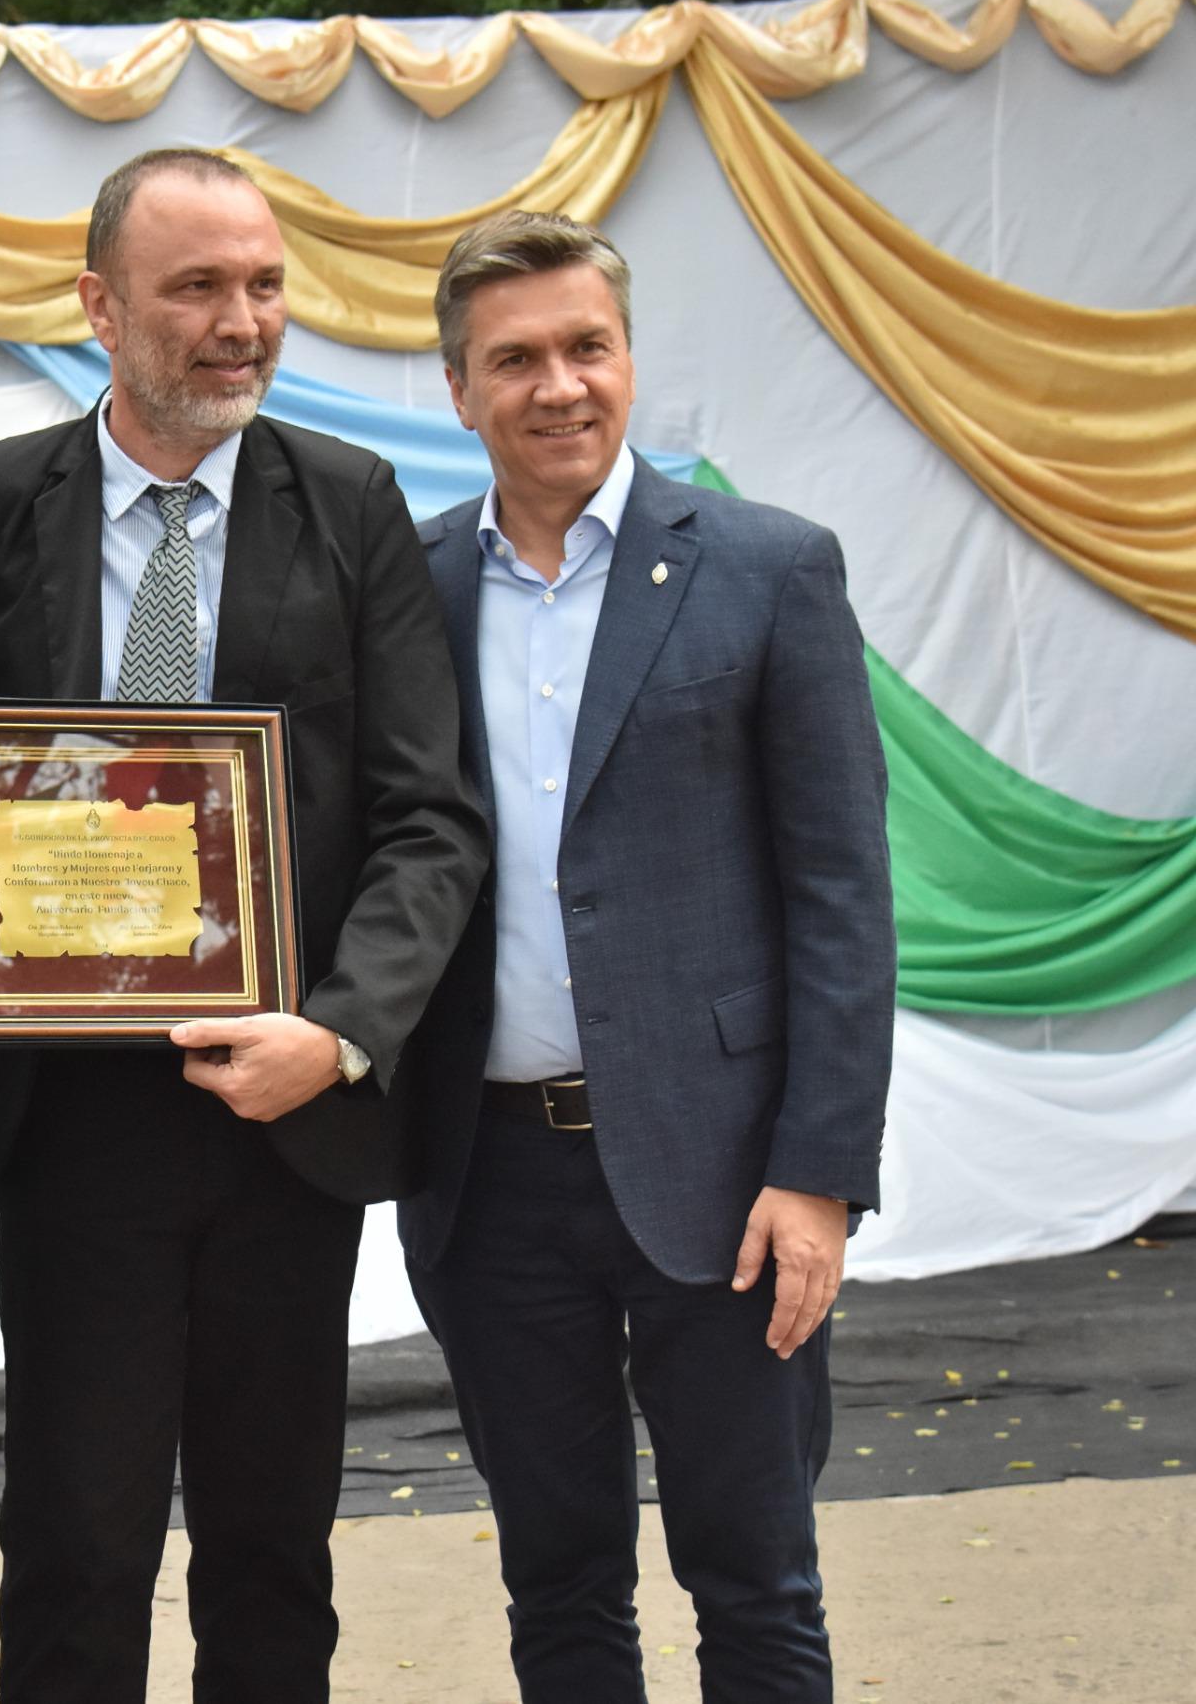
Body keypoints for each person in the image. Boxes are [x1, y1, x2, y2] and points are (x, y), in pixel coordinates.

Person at [0, 150, 488, 1702]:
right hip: (76, 1115)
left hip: (285, 1106)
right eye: (197, 286)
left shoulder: (351, 503)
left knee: (274, 1547)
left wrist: (336, 1034)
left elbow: (430, 818)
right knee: (73, 1541)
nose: (240, 321)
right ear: (99, 307)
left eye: (263, 285)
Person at [396, 210, 894, 1702]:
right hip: (487, 1183)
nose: (559, 385)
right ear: (459, 388)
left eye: (585, 347)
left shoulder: (768, 569)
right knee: (558, 1588)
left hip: (730, 1177)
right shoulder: (405, 593)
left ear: (628, 358)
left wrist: (820, 1173)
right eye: (517, 359)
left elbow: (841, 900)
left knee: (757, 1584)